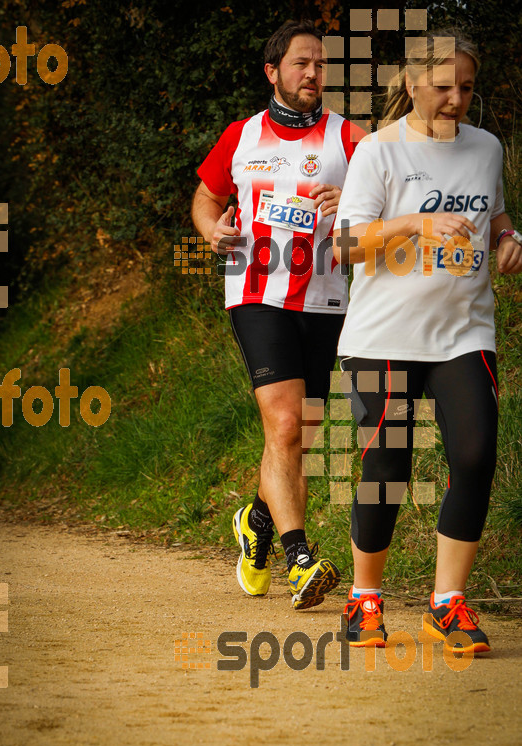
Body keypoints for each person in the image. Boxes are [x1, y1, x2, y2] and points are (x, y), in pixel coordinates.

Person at [332, 29, 522, 650]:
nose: (456, 99)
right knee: (387, 466)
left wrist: (508, 240)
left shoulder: (487, 147)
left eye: (466, 88)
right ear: (411, 84)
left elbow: (494, 214)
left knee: (474, 455)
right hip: (384, 332)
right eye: (443, 87)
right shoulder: (378, 153)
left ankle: (449, 601)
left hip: (465, 330)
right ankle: (364, 599)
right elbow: (347, 245)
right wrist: (416, 221)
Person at [192, 20, 364, 610]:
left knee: (297, 437)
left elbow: (389, 199)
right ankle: (300, 558)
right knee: (285, 426)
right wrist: (211, 228)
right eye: (301, 64)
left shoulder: (349, 138)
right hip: (256, 294)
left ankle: (255, 521)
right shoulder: (240, 137)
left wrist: (355, 202)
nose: (314, 74)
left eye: (320, 64)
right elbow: (207, 196)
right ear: (273, 72)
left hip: (326, 300)